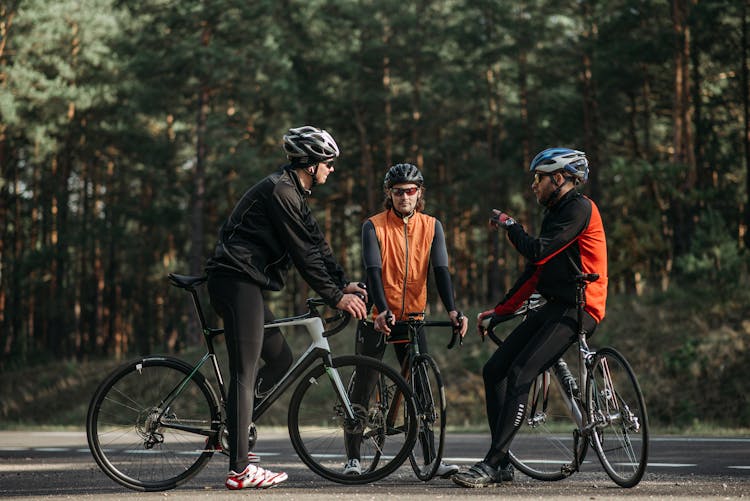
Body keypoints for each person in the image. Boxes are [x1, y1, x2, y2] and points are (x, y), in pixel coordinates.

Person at [205, 126, 368, 490]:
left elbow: (316, 243)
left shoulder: (294, 193)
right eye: (328, 162)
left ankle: (228, 432)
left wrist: (341, 283)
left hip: (246, 282)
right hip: (234, 281)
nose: (332, 168)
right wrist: (335, 297)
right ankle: (240, 470)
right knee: (244, 372)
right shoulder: (280, 191)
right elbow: (302, 253)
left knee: (280, 360)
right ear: (310, 164)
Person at [453, 148, 608, 488]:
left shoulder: (579, 208)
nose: (534, 185)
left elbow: (536, 250)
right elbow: (535, 272)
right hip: (554, 305)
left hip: (581, 308)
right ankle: (503, 462)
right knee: (495, 370)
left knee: (523, 371)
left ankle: (492, 464)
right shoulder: (555, 212)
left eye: (538, 178)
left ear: (559, 178)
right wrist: (500, 312)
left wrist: (511, 226)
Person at [343, 163, 468, 478]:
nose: (404, 196)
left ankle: (429, 460)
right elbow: (373, 270)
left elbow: (440, 271)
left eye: (410, 191)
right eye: (398, 191)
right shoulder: (373, 226)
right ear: (389, 193)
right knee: (364, 385)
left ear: (419, 193)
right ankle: (353, 459)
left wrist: (453, 309)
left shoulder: (432, 226)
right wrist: (382, 309)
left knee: (421, 388)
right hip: (378, 316)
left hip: (413, 318)